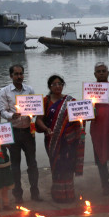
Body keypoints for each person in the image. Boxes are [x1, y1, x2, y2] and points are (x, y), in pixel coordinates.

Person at [0, 64, 42, 203]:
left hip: (29, 132)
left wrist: (33, 114)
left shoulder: (29, 89)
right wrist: (12, 116)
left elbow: (35, 107)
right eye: (16, 74)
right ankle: (18, 195)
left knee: (32, 164)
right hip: (14, 132)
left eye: (21, 73)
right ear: (11, 76)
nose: (19, 76)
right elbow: (1, 111)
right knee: (15, 166)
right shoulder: (4, 91)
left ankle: (35, 193)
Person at [36, 74, 83, 203]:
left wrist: (90, 113)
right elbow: (38, 120)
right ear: (49, 87)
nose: (58, 86)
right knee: (56, 166)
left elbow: (80, 117)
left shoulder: (71, 101)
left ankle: (69, 193)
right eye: (54, 84)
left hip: (68, 140)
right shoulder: (45, 101)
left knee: (68, 165)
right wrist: (46, 129)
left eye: (60, 84)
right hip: (52, 140)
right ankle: (59, 195)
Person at [89, 62, 109, 195]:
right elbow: (85, 109)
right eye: (98, 71)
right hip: (98, 130)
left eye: (103, 71)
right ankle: (105, 184)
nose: (101, 73)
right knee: (100, 159)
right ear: (95, 74)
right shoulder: (90, 89)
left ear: (108, 73)